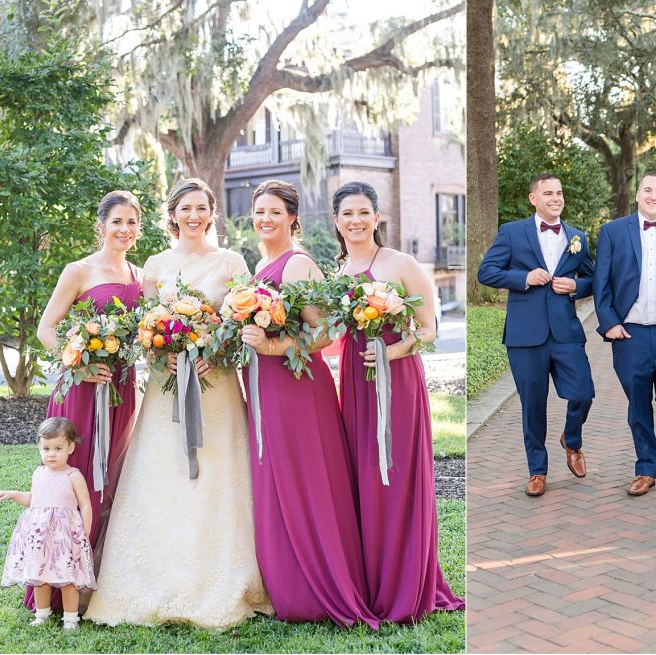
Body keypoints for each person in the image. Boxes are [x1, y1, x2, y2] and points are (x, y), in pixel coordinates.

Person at [85, 178, 272, 628]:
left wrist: (217, 353)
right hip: (167, 386)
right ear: (172, 214)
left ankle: (227, 575)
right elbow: (147, 329)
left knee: (218, 475)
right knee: (162, 473)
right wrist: (162, 354)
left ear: (212, 214)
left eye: (201, 208)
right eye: (185, 207)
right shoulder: (154, 263)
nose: (193, 215)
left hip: (217, 385)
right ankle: (151, 577)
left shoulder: (231, 261)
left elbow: (239, 321)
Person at [238, 179, 378, 628]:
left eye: (275, 212)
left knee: (302, 477)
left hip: (297, 387)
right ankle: (287, 582)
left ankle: (319, 586)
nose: (265, 219)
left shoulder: (298, 265)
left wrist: (273, 348)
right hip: (266, 388)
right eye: (259, 211)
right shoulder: (262, 264)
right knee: (274, 478)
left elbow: (326, 333)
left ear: (293, 218)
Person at [333, 181, 464, 622]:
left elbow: (428, 329)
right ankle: (370, 581)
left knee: (397, 474)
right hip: (355, 380)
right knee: (363, 474)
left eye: (363, 212)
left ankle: (405, 584)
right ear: (336, 222)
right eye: (347, 213)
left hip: (397, 379)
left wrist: (390, 352)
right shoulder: (336, 274)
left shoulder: (400, 263)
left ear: (377, 217)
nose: (356, 220)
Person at [29, 190, 144, 613]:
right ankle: (54, 584)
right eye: (117, 221)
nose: (125, 230)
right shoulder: (78, 270)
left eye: (132, 223)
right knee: (72, 478)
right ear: (101, 225)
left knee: (110, 478)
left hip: (121, 389)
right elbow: (46, 328)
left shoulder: (139, 275)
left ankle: (93, 578)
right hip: (80, 390)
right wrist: (77, 363)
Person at [477, 173, 595, 497]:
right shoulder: (512, 233)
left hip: (566, 332)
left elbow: (593, 279)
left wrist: (576, 286)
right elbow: (486, 272)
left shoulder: (577, 238)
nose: (555, 198)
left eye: (559, 192)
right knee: (533, 405)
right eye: (548, 193)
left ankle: (572, 440)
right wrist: (524, 277)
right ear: (534, 199)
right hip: (525, 335)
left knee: (583, 393)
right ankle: (538, 470)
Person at [593, 173, 656, 497]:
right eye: (647, 189)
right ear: (637, 195)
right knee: (638, 403)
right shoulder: (612, 231)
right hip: (629, 333)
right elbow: (601, 282)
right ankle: (646, 467)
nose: (653, 195)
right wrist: (608, 322)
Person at [0, 417, 96, 630]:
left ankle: (70, 619)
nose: (51, 454)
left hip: (63, 536)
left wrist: (84, 531)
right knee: (38, 578)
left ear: (70, 448)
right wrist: (14, 494)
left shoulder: (73, 475)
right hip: (39, 535)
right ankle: (42, 614)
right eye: (46, 448)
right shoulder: (38, 473)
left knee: (67, 579)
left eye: (58, 448)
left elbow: (85, 505)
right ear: (39, 448)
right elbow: (34, 500)